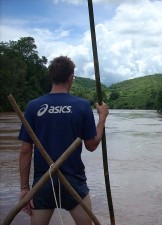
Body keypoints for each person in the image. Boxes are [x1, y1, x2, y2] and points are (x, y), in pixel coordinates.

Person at [18, 56, 108, 225]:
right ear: (70, 77)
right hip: (73, 181)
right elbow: (92, 145)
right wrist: (102, 118)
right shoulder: (82, 105)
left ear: (51, 77)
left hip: (43, 182)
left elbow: (25, 150)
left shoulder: (33, 106)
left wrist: (24, 189)